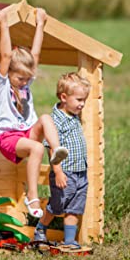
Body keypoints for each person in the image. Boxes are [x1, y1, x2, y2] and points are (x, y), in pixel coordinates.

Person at [0, 8, 68, 219]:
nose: (25, 82)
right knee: (35, 148)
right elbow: (6, 55)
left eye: (27, 79)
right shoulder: (1, 83)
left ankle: (55, 152)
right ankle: (32, 196)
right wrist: (3, 24)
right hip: (7, 138)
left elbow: (35, 55)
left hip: (26, 133)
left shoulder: (25, 81)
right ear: (10, 74)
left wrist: (40, 24)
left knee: (45, 118)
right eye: (20, 79)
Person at [34, 72, 91, 249]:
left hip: (80, 172)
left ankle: (69, 240)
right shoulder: (55, 121)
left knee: (74, 207)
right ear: (64, 97)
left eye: (84, 100)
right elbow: (53, 148)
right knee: (57, 206)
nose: (82, 104)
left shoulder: (73, 115)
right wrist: (58, 172)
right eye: (79, 100)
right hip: (64, 173)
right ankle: (40, 228)